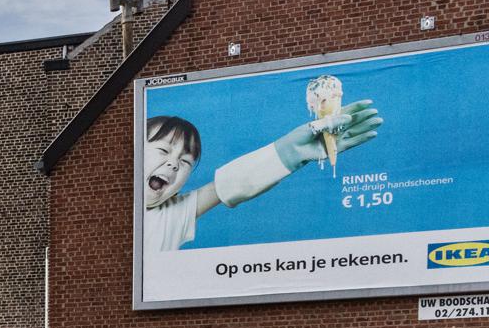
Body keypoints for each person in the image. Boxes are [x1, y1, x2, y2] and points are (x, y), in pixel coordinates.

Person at [142, 98, 383, 252]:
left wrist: (291, 151)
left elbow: (229, 185)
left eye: (185, 162)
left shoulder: (170, 215)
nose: (173, 164)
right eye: (163, 150)